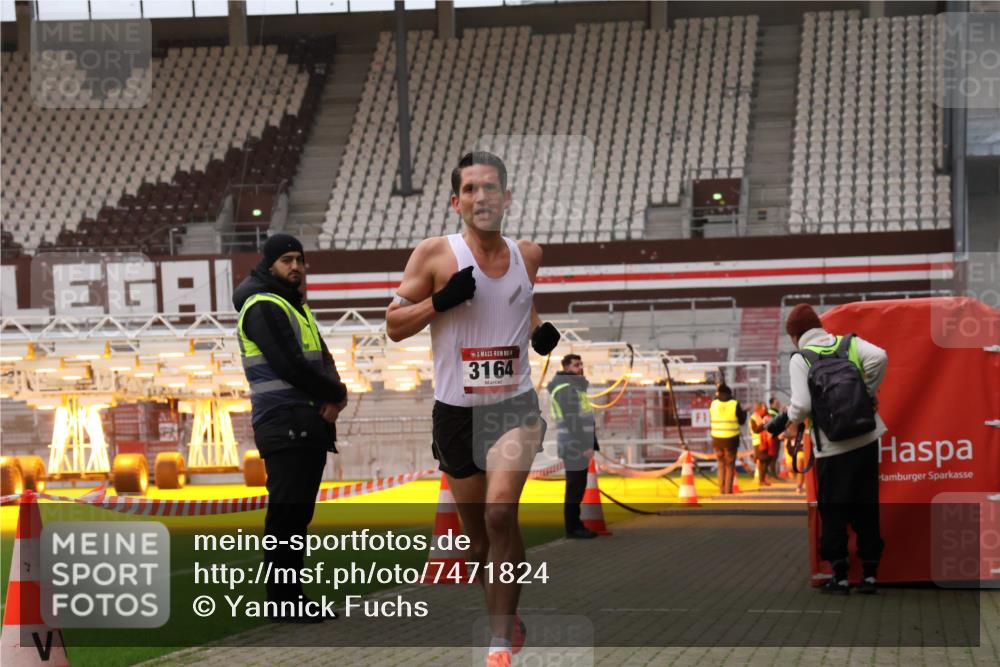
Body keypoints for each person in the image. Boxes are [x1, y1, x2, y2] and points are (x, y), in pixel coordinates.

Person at [385, 152, 560, 667]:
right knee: (479, 541)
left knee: (501, 511)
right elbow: (393, 326)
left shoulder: (529, 254)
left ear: (507, 198)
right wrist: (439, 301)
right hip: (456, 412)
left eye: (491, 188)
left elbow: (519, 300)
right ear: (455, 201)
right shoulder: (435, 255)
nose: (481, 197)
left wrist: (537, 330)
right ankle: (507, 617)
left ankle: (498, 644)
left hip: (513, 406)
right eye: (470, 189)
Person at [234, 233, 347, 622]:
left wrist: (335, 394)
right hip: (284, 421)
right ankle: (283, 602)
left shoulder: (293, 305)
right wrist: (335, 393)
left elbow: (322, 357)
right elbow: (290, 366)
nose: (296, 266)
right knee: (286, 517)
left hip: (303, 422)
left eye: (299, 259)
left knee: (296, 518)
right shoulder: (262, 306)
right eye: (287, 260)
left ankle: (291, 598)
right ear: (269, 265)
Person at [768, 303, 888, 595]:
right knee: (866, 505)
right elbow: (880, 357)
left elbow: (801, 406)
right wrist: (864, 394)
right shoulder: (849, 344)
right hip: (866, 438)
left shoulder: (802, 358)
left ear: (795, 336)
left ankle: (841, 576)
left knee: (833, 511)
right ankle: (870, 575)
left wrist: (789, 420)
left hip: (831, 447)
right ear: (818, 326)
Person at [547, 354, 600, 539]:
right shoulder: (566, 389)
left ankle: (575, 526)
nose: (580, 367)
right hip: (574, 445)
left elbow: (583, 418)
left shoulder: (572, 388)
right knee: (575, 488)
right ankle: (573, 528)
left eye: (581, 364)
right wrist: (585, 445)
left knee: (577, 487)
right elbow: (573, 421)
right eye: (576, 365)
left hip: (574, 443)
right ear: (566, 367)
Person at [709, 383, 746, 494]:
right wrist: (745, 411)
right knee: (730, 465)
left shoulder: (713, 404)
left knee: (721, 464)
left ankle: (721, 490)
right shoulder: (734, 404)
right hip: (731, 440)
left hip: (717, 439)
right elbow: (742, 421)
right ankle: (728, 490)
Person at [748, 403, 773, 487]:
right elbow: (755, 430)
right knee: (762, 461)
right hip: (758, 442)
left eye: (765, 408)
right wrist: (763, 422)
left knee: (767, 460)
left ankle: (763, 479)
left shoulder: (766, 416)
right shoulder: (753, 418)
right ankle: (761, 480)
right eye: (763, 408)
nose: (765, 410)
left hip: (767, 441)